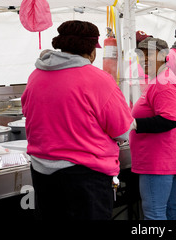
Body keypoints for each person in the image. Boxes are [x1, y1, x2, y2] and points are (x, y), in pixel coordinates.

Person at [21, 20, 135, 220]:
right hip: (86, 176)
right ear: (91, 50)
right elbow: (122, 131)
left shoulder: (36, 76)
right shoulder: (98, 79)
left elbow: (27, 112)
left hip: (42, 174)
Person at [130, 37, 176, 220]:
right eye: (141, 55)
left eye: (149, 54)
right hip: (166, 158)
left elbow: (169, 119)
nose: (144, 59)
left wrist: (135, 124)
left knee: (155, 213)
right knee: (170, 209)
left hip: (158, 161)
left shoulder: (163, 83)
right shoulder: (161, 79)